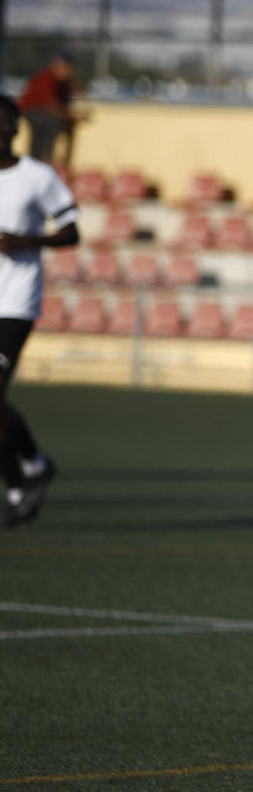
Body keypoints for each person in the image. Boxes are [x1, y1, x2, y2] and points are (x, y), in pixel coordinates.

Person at [0, 96, 79, 526]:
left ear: (17, 128)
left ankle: (19, 484)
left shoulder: (37, 176)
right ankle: (30, 467)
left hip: (14, 303)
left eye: (5, 121)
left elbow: (71, 232)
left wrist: (25, 241)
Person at [17, 51, 84, 169]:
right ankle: (41, 159)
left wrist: (72, 79)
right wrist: (71, 116)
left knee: (55, 122)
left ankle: (44, 160)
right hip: (33, 112)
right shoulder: (46, 78)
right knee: (51, 121)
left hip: (45, 114)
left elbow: (80, 91)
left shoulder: (63, 82)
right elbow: (52, 106)